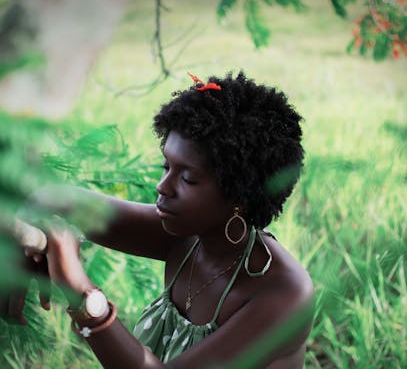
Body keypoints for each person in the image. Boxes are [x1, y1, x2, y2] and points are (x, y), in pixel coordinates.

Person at [5, 71, 314, 368]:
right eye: (167, 166)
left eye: (188, 179)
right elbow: (56, 199)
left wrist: (80, 290)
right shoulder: (189, 236)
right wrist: (22, 244)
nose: (162, 187)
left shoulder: (283, 295)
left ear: (240, 195)